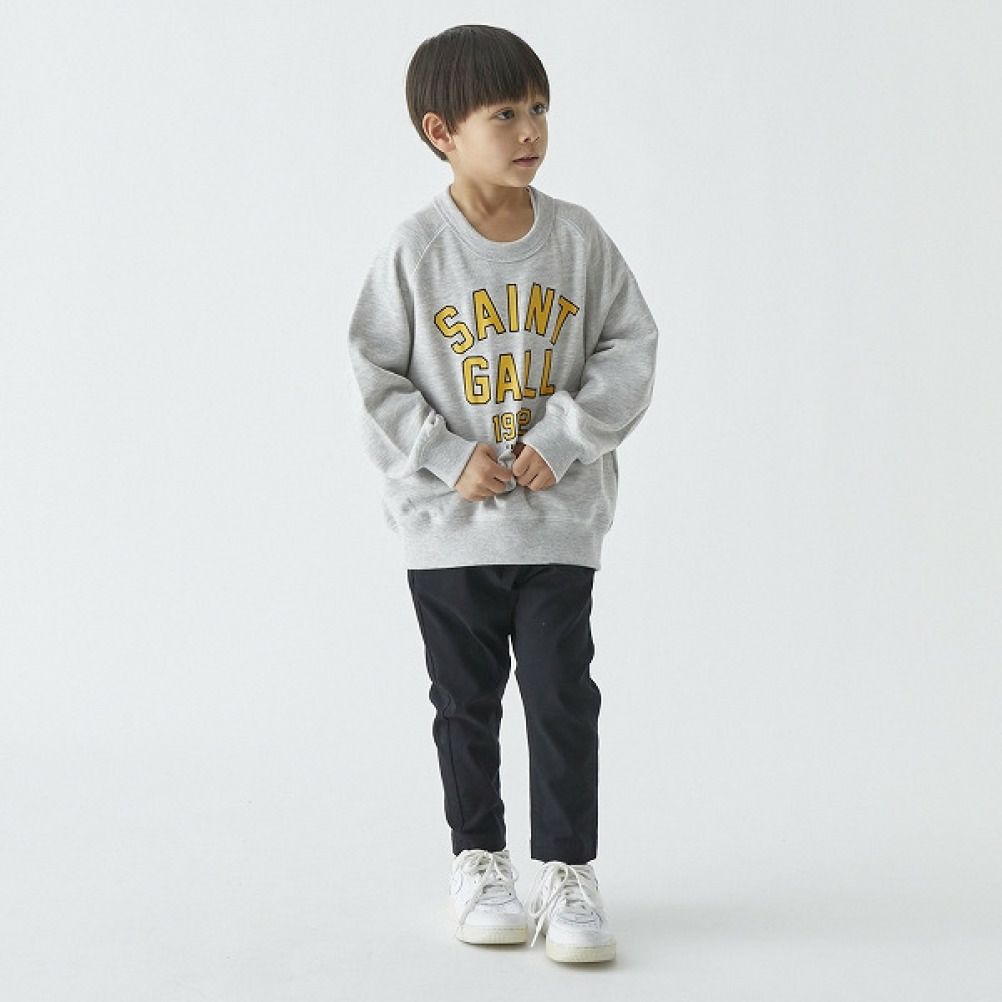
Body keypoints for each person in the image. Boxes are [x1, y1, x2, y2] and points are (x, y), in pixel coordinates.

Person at [346, 23, 659, 964]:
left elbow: (631, 347)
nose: (531, 131)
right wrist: (447, 457)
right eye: (505, 114)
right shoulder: (416, 250)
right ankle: (478, 859)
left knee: (563, 697)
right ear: (442, 132)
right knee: (465, 702)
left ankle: (567, 871)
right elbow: (374, 373)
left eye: (539, 109)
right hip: (449, 529)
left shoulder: (578, 239)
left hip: (559, 522)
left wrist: (564, 441)